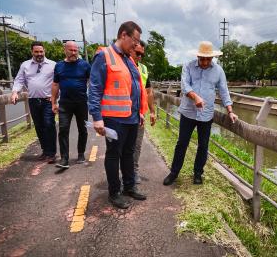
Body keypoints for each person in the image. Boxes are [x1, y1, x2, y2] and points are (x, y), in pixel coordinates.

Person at [88, 21, 148, 209]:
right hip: (114, 118)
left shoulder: (129, 58)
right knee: (114, 155)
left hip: (131, 117)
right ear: (124, 35)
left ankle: (129, 186)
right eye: (135, 40)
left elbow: (135, 88)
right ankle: (114, 192)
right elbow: (95, 89)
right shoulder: (104, 56)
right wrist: (97, 117)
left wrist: (140, 113)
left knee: (129, 154)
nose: (136, 45)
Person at [163, 41, 238, 186]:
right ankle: (174, 172)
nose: (204, 62)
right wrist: (195, 97)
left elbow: (224, 91)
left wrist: (230, 111)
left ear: (212, 58)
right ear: (197, 56)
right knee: (182, 143)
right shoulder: (188, 66)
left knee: (203, 145)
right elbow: (185, 86)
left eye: (207, 59)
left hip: (206, 114)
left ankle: (198, 173)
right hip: (188, 112)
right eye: (202, 58)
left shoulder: (218, 70)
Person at [11, 41, 57, 163]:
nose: (39, 54)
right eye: (36, 52)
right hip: (33, 100)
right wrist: (15, 92)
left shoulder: (53, 65)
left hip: (48, 101)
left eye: (41, 51)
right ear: (32, 51)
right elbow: (19, 80)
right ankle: (45, 151)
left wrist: (56, 98)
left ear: (44, 51)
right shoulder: (25, 65)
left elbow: (59, 83)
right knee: (39, 126)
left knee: (49, 124)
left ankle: (51, 153)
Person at [51, 41, 91, 169]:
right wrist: (53, 102)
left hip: (81, 103)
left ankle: (80, 153)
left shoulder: (85, 65)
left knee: (83, 129)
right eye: (71, 50)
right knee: (63, 130)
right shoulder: (59, 66)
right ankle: (64, 159)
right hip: (65, 103)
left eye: (75, 50)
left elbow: (92, 82)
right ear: (65, 50)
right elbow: (55, 84)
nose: (74, 53)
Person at [131, 40, 156, 184]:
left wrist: (152, 111)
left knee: (137, 144)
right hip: (123, 114)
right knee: (123, 146)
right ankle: (123, 173)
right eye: (137, 53)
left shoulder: (144, 69)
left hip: (140, 114)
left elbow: (149, 92)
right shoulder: (122, 66)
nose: (139, 57)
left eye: (142, 54)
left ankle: (133, 171)